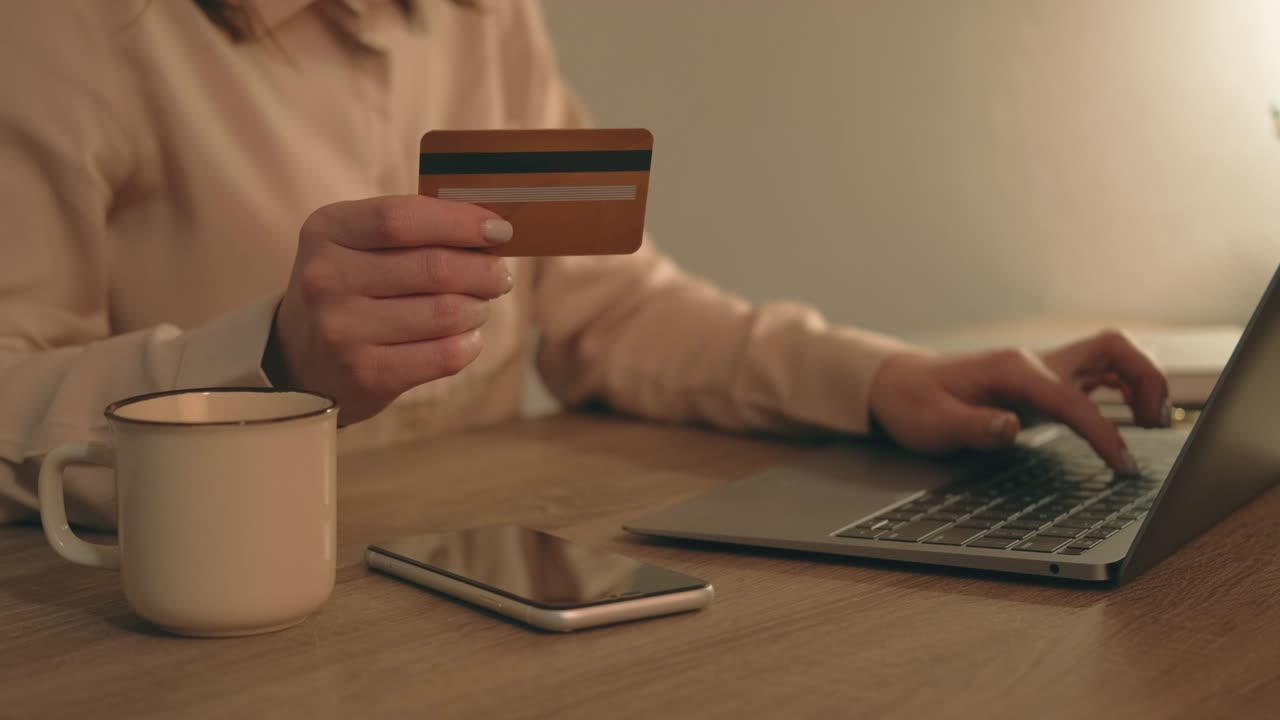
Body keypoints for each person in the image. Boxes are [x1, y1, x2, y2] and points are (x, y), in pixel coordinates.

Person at [0, 0, 1169, 529]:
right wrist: (262, 368)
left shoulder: (482, 16)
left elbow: (610, 309)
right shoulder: (62, 30)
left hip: (466, 578)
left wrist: (879, 380)